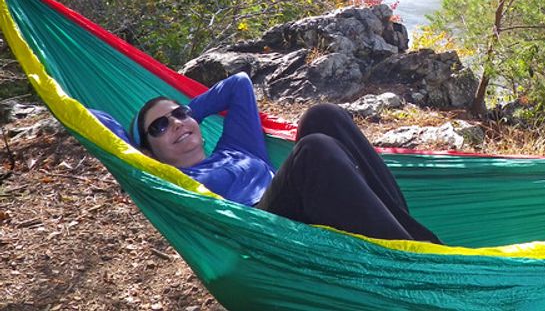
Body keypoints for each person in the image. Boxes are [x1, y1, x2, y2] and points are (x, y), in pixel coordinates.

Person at [130, 72, 440, 243]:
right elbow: (104, 127)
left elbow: (238, 84)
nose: (175, 123)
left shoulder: (236, 147)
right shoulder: (173, 181)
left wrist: (182, 121)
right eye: (159, 127)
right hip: (261, 229)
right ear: (148, 151)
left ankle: (414, 237)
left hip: (302, 202)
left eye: (179, 114)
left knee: (323, 115)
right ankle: (411, 257)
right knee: (314, 148)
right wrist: (139, 144)